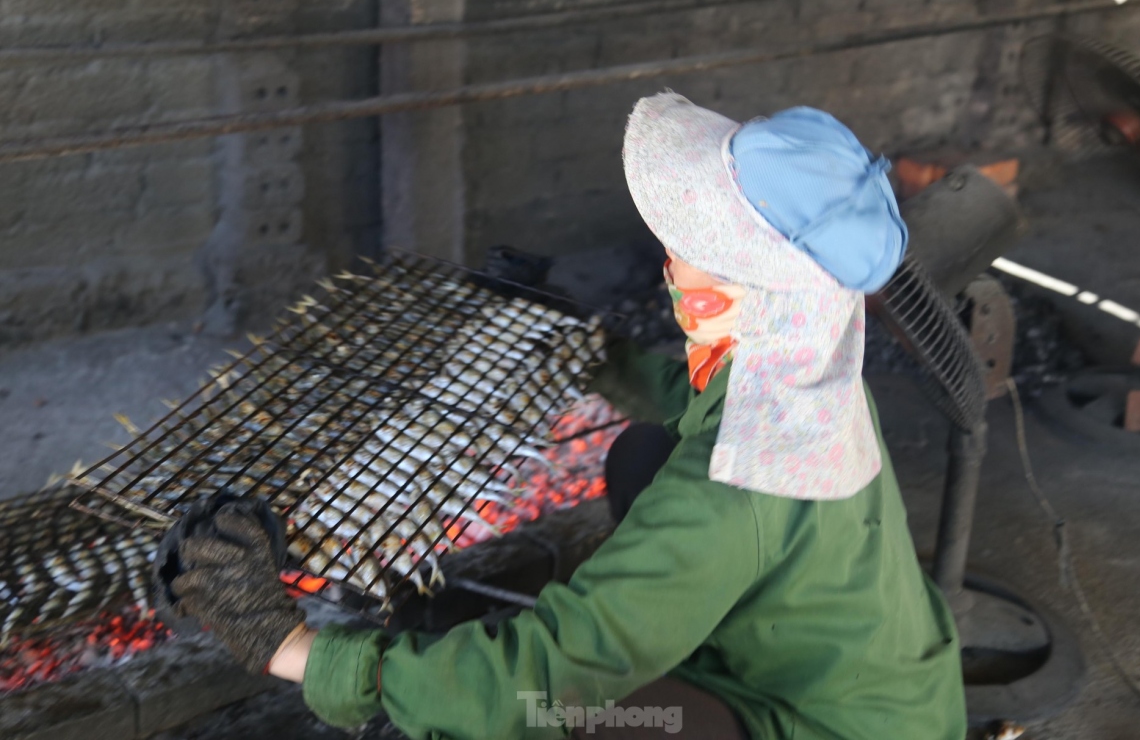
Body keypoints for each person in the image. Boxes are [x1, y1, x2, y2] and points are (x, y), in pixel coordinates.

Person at [172, 93, 967, 739]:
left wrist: (291, 649)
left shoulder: (732, 492)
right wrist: (584, 352)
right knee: (642, 453)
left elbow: (539, 677)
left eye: (683, 242)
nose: (667, 253)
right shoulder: (812, 368)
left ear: (725, 292)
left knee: (575, 714)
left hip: (828, 726)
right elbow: (696, 398)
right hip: (881, 686)